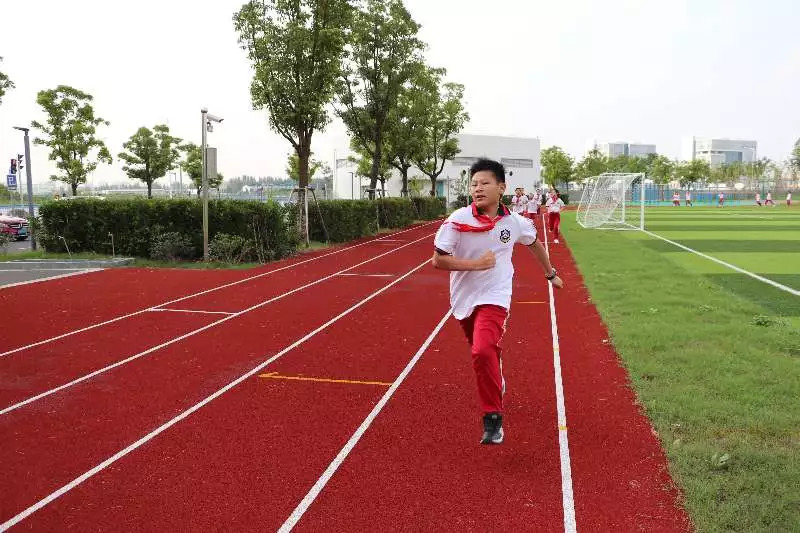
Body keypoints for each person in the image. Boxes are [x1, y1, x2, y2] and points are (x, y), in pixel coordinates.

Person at [432, 158, 564, 445]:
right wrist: (475, 265)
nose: (477, 188)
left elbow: (534, 244)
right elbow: (438, 260)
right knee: (483, 349)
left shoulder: (515, 223)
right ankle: (496, 376)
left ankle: (493, 420)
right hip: (464, 297)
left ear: (501, 188)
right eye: (473, 184)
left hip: (496, 295)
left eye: (484, 183)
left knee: (482, 350)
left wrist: (550, 273)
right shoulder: (457, 220)